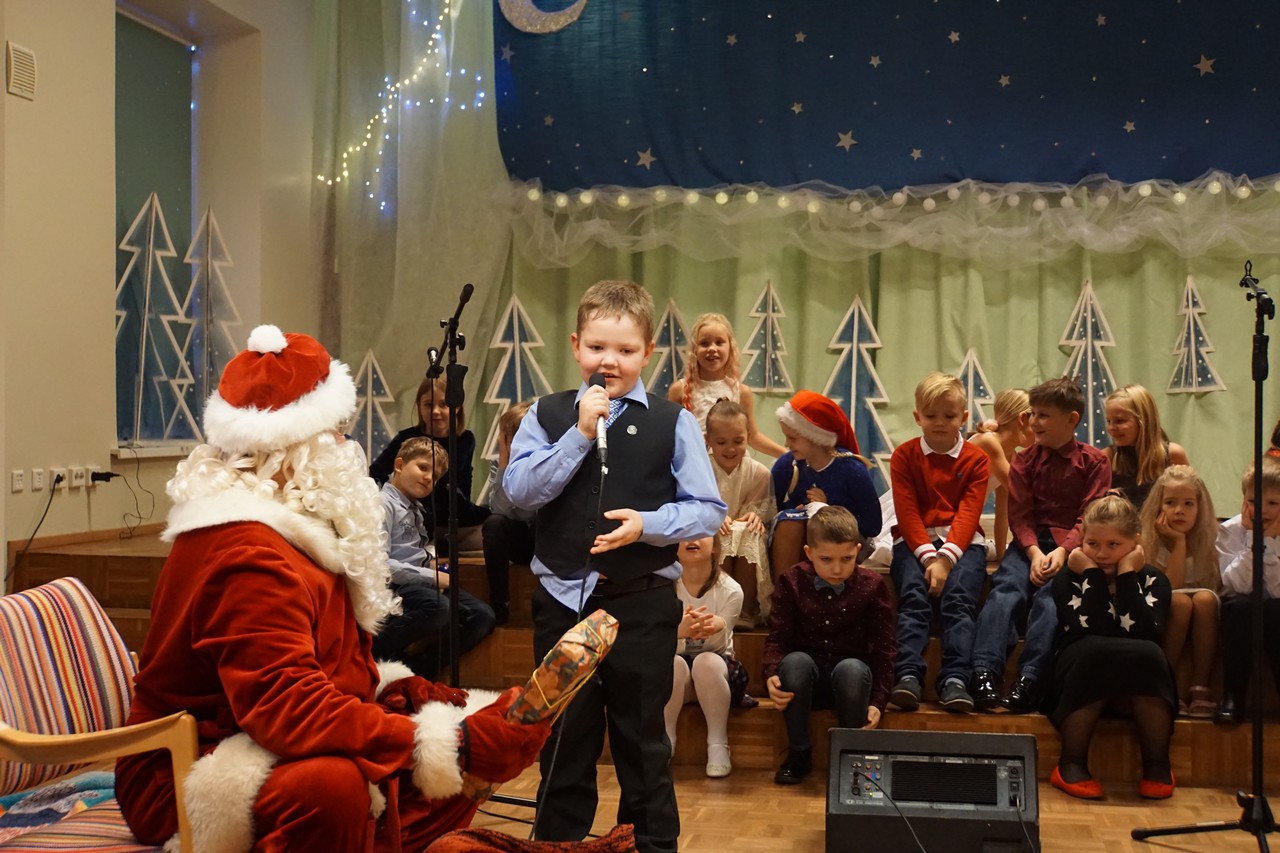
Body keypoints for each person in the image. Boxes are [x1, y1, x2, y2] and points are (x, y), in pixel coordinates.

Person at [115, 326, 548, 850]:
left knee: (452, 735)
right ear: (290, 450)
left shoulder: (293, 531)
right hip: (185, 771)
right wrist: (448, 744)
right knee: (334, 787)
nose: (348, 449)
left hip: (253, 735)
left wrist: (403, 694)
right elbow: (287, 708)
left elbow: (325, 669)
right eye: (337, 434)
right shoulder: (247, 553)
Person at [503, 280, 726, 853]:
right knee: (565, 737)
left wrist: (647, 524)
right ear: (576, 346)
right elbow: (520, 491)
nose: (610, 361)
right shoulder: (548, 414)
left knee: (642, 741)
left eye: (625, 350)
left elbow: (707, 509)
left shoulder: (673, 422)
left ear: (647, 353)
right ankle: (557, 845)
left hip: (642, 603)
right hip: (563, 601)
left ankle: (648, 843)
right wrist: (579, 434)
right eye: (598, 347)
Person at [971, 377, 1111, 713]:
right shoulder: (1024, 461)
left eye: (1043, 415)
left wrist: (1063, 551)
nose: (1034, 422)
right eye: (1032, 414)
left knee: (1051, 599)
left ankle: (1031, 678)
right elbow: (1020, 515)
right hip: (1028, 546)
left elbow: (1089, 516)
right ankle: (984, 671)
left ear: (1072, 419)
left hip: (1072, 549)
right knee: (1005, 591)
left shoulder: (1094, 462)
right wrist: (1033, 552)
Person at [1047, 495, 1177, 800]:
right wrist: (1091, 574)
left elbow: (1145, 633)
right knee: (1095, 649)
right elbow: (1093, 628)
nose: (1101, 553)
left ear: (1135, 543)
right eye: (1092, 544)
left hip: (1137, 671)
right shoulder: (1068, 578)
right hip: (1080, 665)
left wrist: (1127, 574)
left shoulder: (1154, 580)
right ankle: (1071, 763)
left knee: (1149, 653)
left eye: (1113, 545)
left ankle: (1157, 764)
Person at [763, 506, 897, 785]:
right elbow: (778, 637)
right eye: (826, 559)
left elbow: (885, 647)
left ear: (858, 551)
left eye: (847, 559)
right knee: (795, 663)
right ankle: (799, 753)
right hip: (805, 684)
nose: (837, 569)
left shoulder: (872, 585)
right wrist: (772, 673)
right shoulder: (791, 581)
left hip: (852, 686)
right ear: (809, 553)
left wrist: (878, 700)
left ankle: (850, 757)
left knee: (851, 669)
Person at [888, 372, 991, 714]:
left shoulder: (977, 459)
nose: (940, 423)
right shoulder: (904, 456)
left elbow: (968, 514)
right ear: (917, 416)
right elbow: (907, 513)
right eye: (931, 415)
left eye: (949, 416)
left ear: (964, 417)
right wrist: (929, 558)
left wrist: (945, 559)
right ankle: (907, 675)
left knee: (959, 602)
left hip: (963, 544)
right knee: (914, 599)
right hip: (915, 542)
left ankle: (955, 679)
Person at [379, 436, 496, 678]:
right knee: (438, 608)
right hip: (396, 585)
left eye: (434, 477)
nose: (428, 478)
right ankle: (372, 653)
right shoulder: (382, 504)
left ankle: (418, 670)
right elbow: (380, 564)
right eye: (423, 468)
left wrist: (433, 569)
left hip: (421, 582)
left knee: (482, 616)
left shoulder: (416, 508)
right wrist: (431, 577)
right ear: (399, 465)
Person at [370, 373, 490, 553]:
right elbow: (376, 472)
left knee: (492, 527)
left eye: (443, 404)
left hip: (452, 515)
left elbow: (464, 480)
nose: (435, 411)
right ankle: (425, 541)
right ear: (419, 406)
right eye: (428, 404)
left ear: (457, 407)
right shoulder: (406, 438)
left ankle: (432, 544)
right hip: (416, 513)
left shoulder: (465, 439)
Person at [769, 390, 880, 582]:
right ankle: (785, 591)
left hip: (841, 544)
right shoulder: (786, 466)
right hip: (798, 543)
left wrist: (829, 510)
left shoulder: (851, 469)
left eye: (793, 438)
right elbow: (772, 512)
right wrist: (795, 512)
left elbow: (873, 525)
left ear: (815, 437)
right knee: (790, 524)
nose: (786, 444)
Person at [662, 536, 750, 779]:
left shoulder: (731, 589)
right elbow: (656, 639)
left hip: (717, 674)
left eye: (700, 532)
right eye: (684, 535)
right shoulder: (664, 587)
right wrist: (679, 631)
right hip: (678, 675)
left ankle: (718, 744)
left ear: (716, 547)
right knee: (673, 663)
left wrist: (717, 625)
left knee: (706, 662)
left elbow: (722, 636)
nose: (691, 539)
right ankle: (665, 740)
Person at [1139, 465, 1221, 718]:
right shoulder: (1149, 542)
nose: (1179, 511)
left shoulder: (1211, 539)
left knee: (1205, 599)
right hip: (1167, 607)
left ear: (1200, 507)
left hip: (1204, 606)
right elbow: (1168, 589)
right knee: (1181, 603)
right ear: (1158, 506)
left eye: (1188, 504)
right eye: (1170, 503)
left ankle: (1200, 685)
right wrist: (1178, 542)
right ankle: (1167, 682)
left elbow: (1212, 585)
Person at [1214, 456, 1280, 724]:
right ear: (1243, 500)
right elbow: (1236, 584)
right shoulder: (1229, 531)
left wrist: (1270, 542)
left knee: (1275, 609)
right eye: (1254, 501)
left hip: (1276, 606)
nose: (1262, 510)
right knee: (1242, 606)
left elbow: (1277, 590)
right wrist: (1256, 541)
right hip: (1242, 608)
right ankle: (1233, 694)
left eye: (1273, 503)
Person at [668, 311, 787, 458]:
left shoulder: (741, 392)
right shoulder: (679, 390)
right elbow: (670, 437)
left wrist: (787, 455)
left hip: (733, 466)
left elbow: (753, 437)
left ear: (730, 347)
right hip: (697, 466)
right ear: (694, 350)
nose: (712, 348)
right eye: (704, 343)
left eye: (719, 342)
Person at [704, 397, 776, 627]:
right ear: (708, 440)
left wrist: (755, 517)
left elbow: (758, 514)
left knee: (748, 531)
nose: (730, 449)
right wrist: (714, 517)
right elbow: (692, 504)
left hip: (744, 535)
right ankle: (718, 607)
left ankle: (745, 610)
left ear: (748, 437)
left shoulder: (760, 473)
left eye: (738, 441)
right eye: (721, 442)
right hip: (708, 531)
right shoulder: (699, 469)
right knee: (722, 532)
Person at [481, 401, 536, 624]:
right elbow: (500, 510)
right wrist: (505, 462)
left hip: (544, 542)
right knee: (494, 523)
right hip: (518, 541)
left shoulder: (548, 462)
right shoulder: (500, 465)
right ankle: (499, 603)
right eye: (511, 439)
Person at [968, 388, 1033, 561]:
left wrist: (1001, 556)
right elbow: (1021, 493)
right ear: (1022, 419)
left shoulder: (1010, 455)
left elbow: (1003, 513)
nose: (1040, 426)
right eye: (1037, 418)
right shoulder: (988, 442)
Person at [1103, 384, 1189, 509]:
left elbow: (1190, 501)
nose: (1111, 428)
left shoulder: (1173, 455)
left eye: (1120, 421)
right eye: (1108, 421)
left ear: (1144, 420)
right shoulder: (1107, 457)